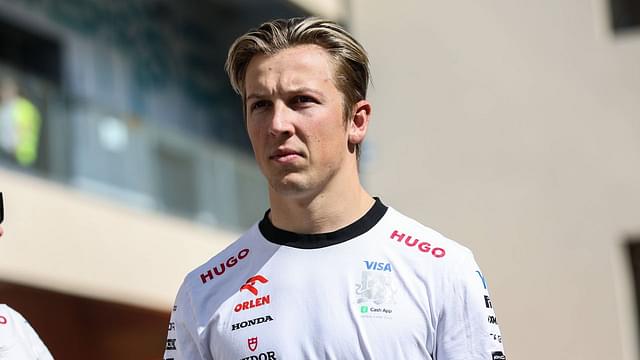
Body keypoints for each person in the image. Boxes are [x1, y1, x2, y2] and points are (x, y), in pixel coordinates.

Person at [164, 17, 506, 360]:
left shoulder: (442, 269)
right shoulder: (203, 291)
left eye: (301, 100)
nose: (277, 124)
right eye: (261, 105)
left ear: (357, 121)